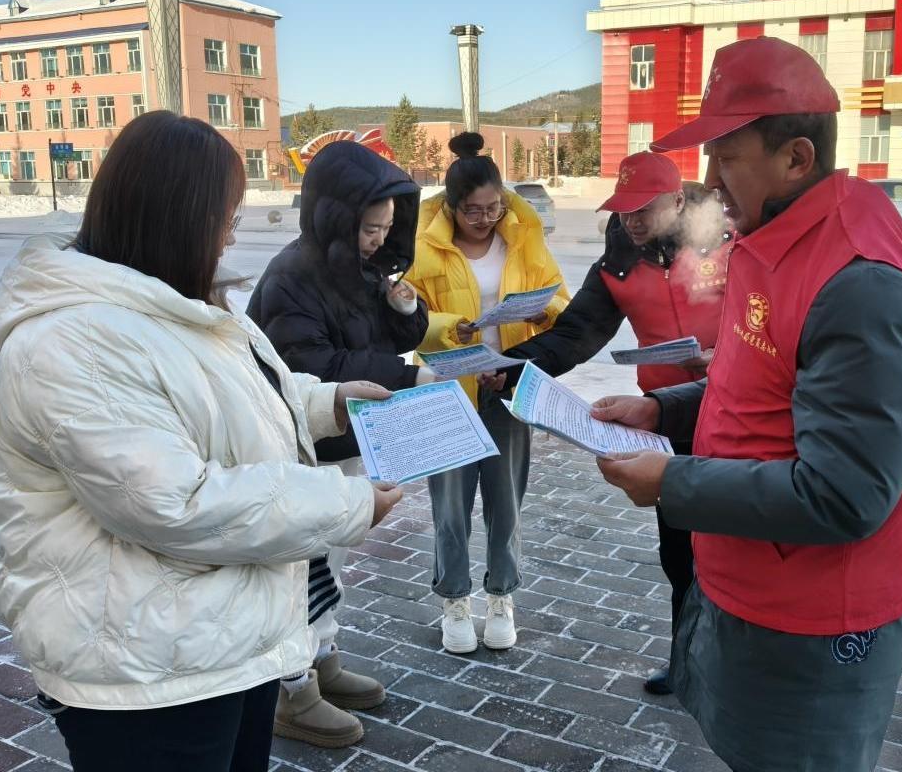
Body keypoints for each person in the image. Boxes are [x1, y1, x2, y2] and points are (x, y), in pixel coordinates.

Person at [0, 111, 402, 772]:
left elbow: (233, 396)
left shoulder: (180, 301)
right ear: (176, 219)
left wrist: (328, 403)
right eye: (225, 220)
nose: (230, 237)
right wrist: (347, 504)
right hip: (142, 668)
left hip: (224, 639)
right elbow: (174, 501)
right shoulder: (75, 339)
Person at [592, 37, 902, 771]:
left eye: (727, 157)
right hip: (746, 585)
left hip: (811, 619)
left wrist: (673, 483)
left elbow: (846, 494)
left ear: (796, 158)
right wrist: (665, 413)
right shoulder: (773, 236)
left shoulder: (860, 283)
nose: (709, 181)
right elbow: (757, 381)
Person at [503, 150, 730, 694]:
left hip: (734, 411)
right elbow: (574, 334)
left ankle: (734, 667)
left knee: (734, 547)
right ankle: (685, 662)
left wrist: (726, 358)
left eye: (644, 208)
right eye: (624, 209)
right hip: (666, 419)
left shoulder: (729, 243)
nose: (632, 220)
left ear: (678, 201)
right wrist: (509, 368)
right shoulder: (617, 263)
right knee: (679, 551)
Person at [246, 139, 431, 746]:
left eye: (386, 228)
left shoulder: (359, 269)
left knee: (331, 559)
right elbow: (312, 366)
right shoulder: (293, 277)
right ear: (335, 217)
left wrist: (404, 310)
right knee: (300, 568)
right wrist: (405, 377)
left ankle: (322, 658)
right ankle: (291, 690)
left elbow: (380, 339)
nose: (378, 240)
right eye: (369, 228)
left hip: (347, 437)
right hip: (303, 444)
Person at [404, 132, 569, 654]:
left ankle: (502, 595)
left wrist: (543, 312)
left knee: (506, 501)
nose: (484, 219)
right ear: (451, 207)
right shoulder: (422, 247)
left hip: (506, 385)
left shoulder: (523, 239)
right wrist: (450, 328)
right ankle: (454, 599)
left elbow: (560, 302)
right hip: (444, 389)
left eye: (493, 208)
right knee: (450, 505)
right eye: (472, 211)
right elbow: (407, 320)